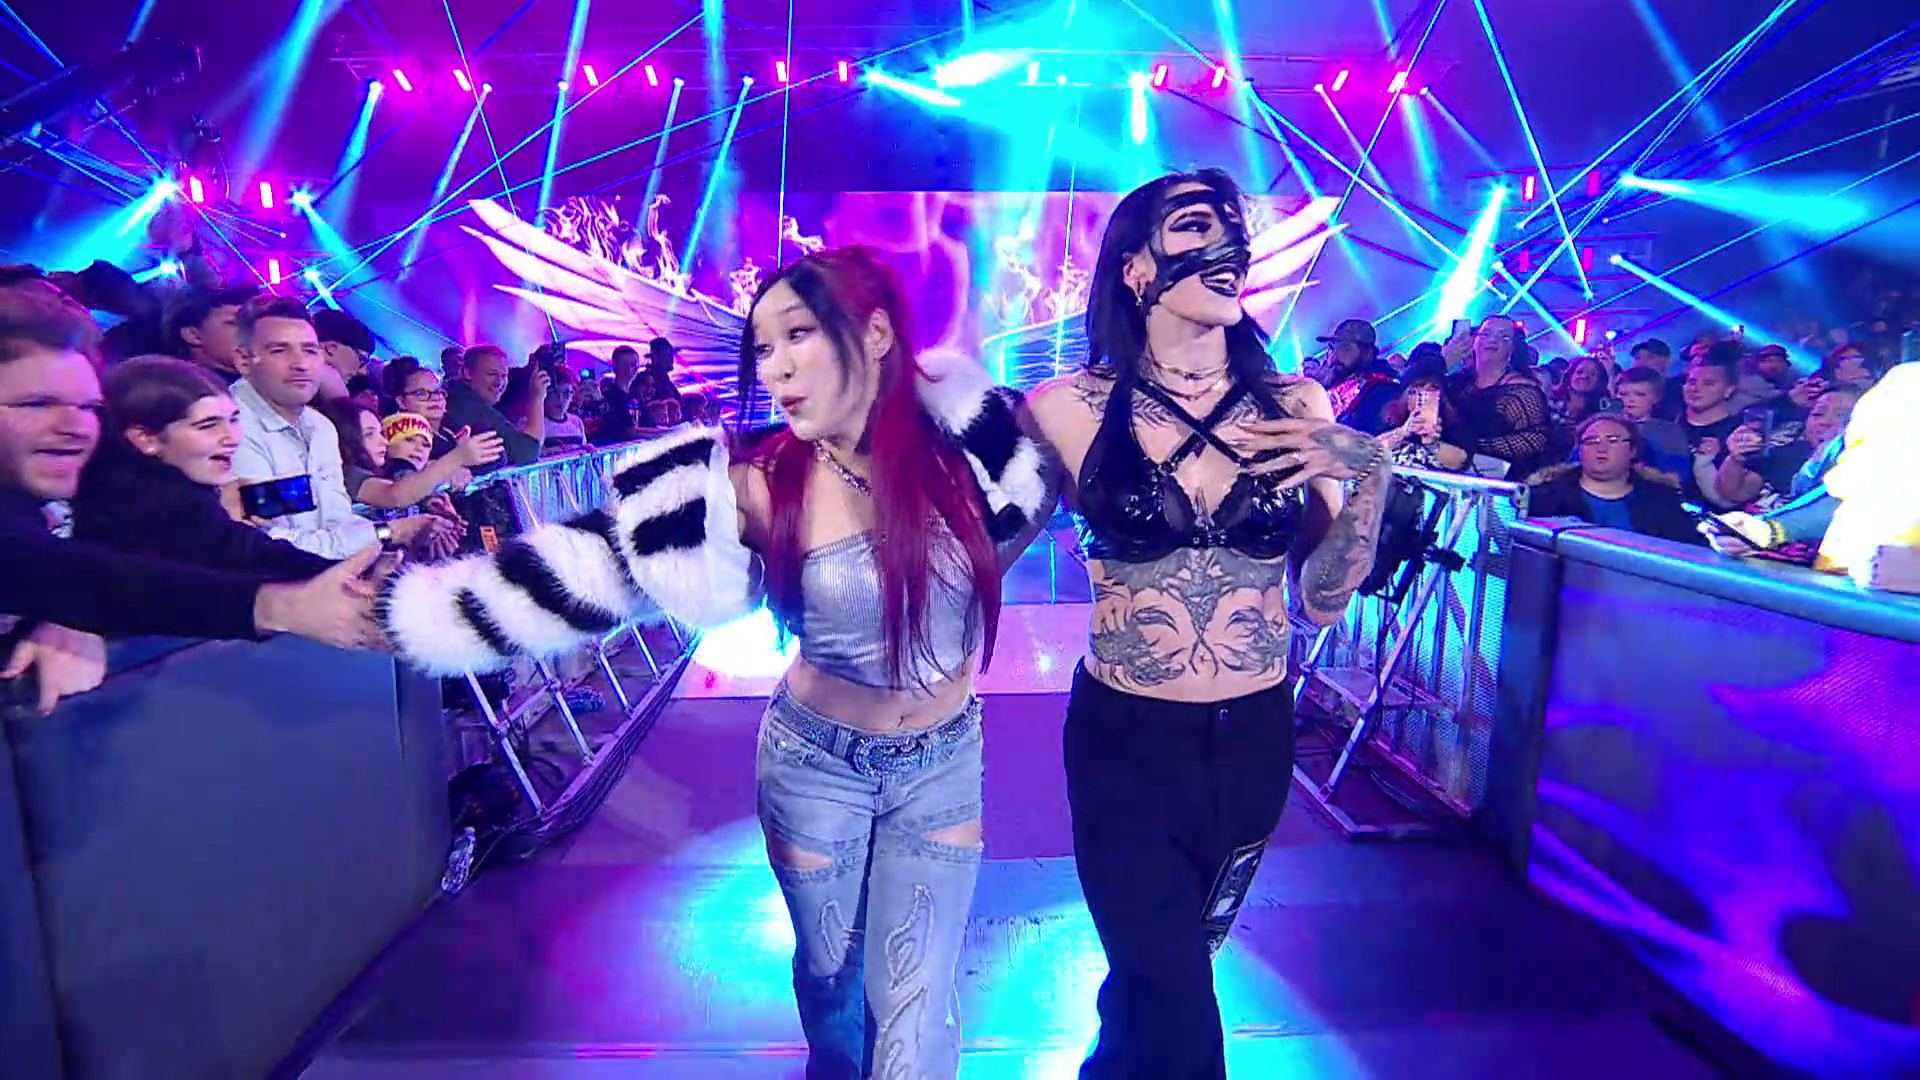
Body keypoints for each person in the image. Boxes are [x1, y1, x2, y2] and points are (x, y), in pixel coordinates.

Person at [376, 247, 1055, 1080]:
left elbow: (1046, 494)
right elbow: (584, 570)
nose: (776, 367)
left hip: (943, 764)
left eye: (798, 335)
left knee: (917, 996)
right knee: (834, 981)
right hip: (819, 768)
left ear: (877, 333)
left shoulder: (975, 449)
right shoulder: (755, 482)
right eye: (762, 348)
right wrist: (401, 615)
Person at [1024, 167, 1391, 1079]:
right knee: (1173, 985)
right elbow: (978, 555)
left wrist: (1372, 475)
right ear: (1136, 266)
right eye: (1196, 226)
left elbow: (1321, 599)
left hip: (1252, 739)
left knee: (1169, 965)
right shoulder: (1063, 408)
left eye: (1236, 227)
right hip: (1124, 739)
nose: (1231, 244)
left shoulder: (1296, 406)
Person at [0, 285, 383, 712]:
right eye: (36, 403)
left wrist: (63, 611)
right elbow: (48, 567)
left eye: (88, 408)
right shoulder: (140, 487)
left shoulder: (320, 429)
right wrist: (278, 606)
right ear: (245, 360)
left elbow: (238, 544)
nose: (75, 427)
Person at [71, 356, 333, 579]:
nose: (232, 438)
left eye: (233, 420)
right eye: (208, 425)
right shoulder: (173, 510)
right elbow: (266, 559)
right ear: (146, 438)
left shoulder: (117, 488)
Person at [1525, 414, 1701, 545]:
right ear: (1580, 451)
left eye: (1613, 440)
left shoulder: (1663, 502)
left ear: (1633, 450)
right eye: (1591, 441)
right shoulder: (1541, 499)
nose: (1601, 448)